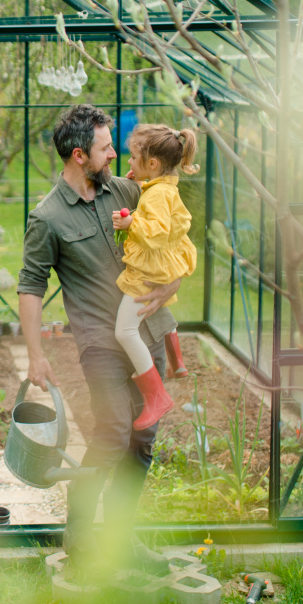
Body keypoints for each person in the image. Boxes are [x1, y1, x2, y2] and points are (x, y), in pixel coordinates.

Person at [16, 104, 183, 577]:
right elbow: (30, 286)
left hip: (147, 333)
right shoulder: (47, 218)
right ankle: (81, 536)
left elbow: (168, 232)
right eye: (105, 148)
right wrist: (35, 355)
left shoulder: (126, 190)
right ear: (78, 155)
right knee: (111, 432)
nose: (114, 155)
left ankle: (121, 539)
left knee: (142, 440)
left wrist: (172, 285)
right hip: (100, 344)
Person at [110, 124, 200, 431]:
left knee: (125, 331)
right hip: (161, 264)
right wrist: (143, 180)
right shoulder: (163, 184)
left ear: (152, 164)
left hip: (148, 267)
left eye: (134, 159)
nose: (129, 165)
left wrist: (130, 224)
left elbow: (158, 232)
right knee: (156, 308)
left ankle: (157, 396)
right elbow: (161, 191)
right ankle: (178, 363)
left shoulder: (157, 195)